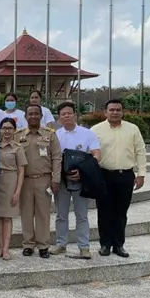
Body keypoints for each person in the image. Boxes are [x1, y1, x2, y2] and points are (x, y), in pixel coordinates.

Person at [91, 99, 147, 258]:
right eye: (112, 110)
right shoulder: (95, 130)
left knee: (121, 212)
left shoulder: (133, 129)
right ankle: (105, 244)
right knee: (104, 212)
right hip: (104, 175)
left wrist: (141, 174)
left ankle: (118, 245)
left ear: (122, 112)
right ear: (105, 112)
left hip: (126, 176)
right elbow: (90, 153)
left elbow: (140, 151)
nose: (115, 112)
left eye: (118, 110)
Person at [53, 101, 101, 259]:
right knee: (61, 214)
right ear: (59, 117)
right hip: (62, 180)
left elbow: (96, 155)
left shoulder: (88, 134)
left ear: (75, 114)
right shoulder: (55, 135)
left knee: (82, 215)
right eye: (63, 114)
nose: (66, 116)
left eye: (69, 113)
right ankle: (61, 244)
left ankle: (84, 247)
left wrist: (82, 172)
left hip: (82, 180)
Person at [15, 104, 62, 258]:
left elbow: (56, 157)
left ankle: (43, 245)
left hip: (44, 179)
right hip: (24, 181)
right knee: (26, 213)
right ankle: (28, 244)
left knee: (43, 214)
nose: (33, 116)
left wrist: (56, 179)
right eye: (30, 114)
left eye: (36, 113)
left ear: (41, 116)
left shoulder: (50, 135)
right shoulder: (18, 136)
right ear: (25, 116)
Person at [0, 118, 26, 260]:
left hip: (11, 181)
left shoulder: (18, 147)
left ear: (14, 130)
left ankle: (6, 249)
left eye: (10, 128)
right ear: (0, 129)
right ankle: (0, 247)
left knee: (7, 217)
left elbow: (21, 171)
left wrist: (17, 192)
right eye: (4, 128)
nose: (7, 131)